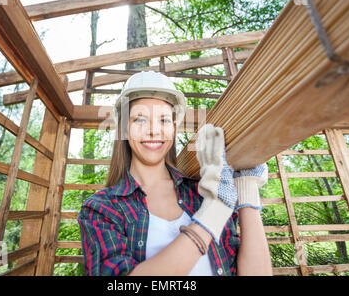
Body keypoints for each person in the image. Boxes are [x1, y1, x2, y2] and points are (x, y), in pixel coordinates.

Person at [77, 71, 272, 276]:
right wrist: (213, 212)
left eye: (164, 120)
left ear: (174, 127)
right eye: (140, 120)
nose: (154, 130)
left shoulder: (203, 191)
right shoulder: (101, 209)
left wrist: (246, 187)